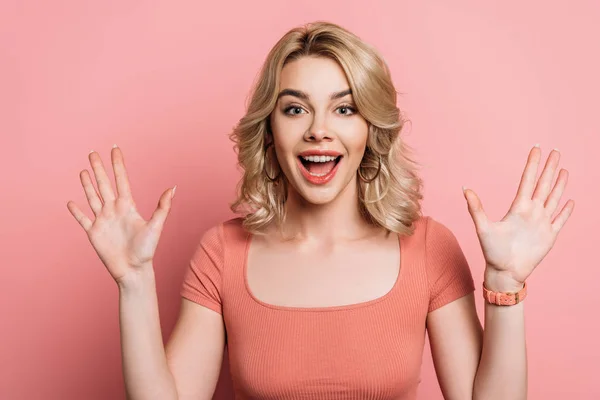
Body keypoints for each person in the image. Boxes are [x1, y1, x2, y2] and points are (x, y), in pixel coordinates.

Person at [67, 21, 574, 400]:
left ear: (370, 130)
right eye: (295, 108)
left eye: (344, 108)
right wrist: (133, 283)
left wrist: (505, 284)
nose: (318, 129)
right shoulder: (222, 252)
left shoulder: (429, 248)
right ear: (270, 131)